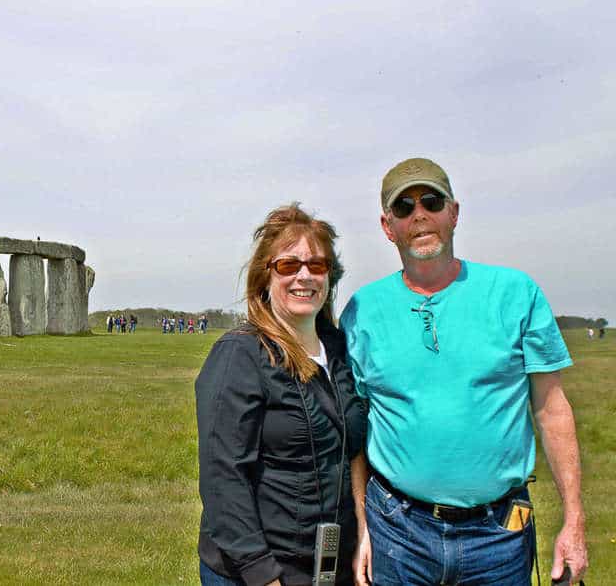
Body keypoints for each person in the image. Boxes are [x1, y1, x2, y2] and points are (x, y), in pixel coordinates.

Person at [341, 158, 588, 585]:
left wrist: (574, 520)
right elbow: (356, 428)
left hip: (499, 535)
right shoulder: (362, 311)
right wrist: (364, 526)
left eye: (431, 202)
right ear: (387, 226)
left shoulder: (516, 293)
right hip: (397, 529)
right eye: (404, 208)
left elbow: (552, 409)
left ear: (454, 212)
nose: (419, 215)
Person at [196, 204, 366, 586]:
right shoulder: (240, 354)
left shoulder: (339, 349)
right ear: (264, 277)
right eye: (288, 266)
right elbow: (224, 476)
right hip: (255, 572)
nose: (304, 276)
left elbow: (354, 448)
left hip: (330, 567)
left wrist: (363, 529)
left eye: (317, 266)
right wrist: (262, 573)